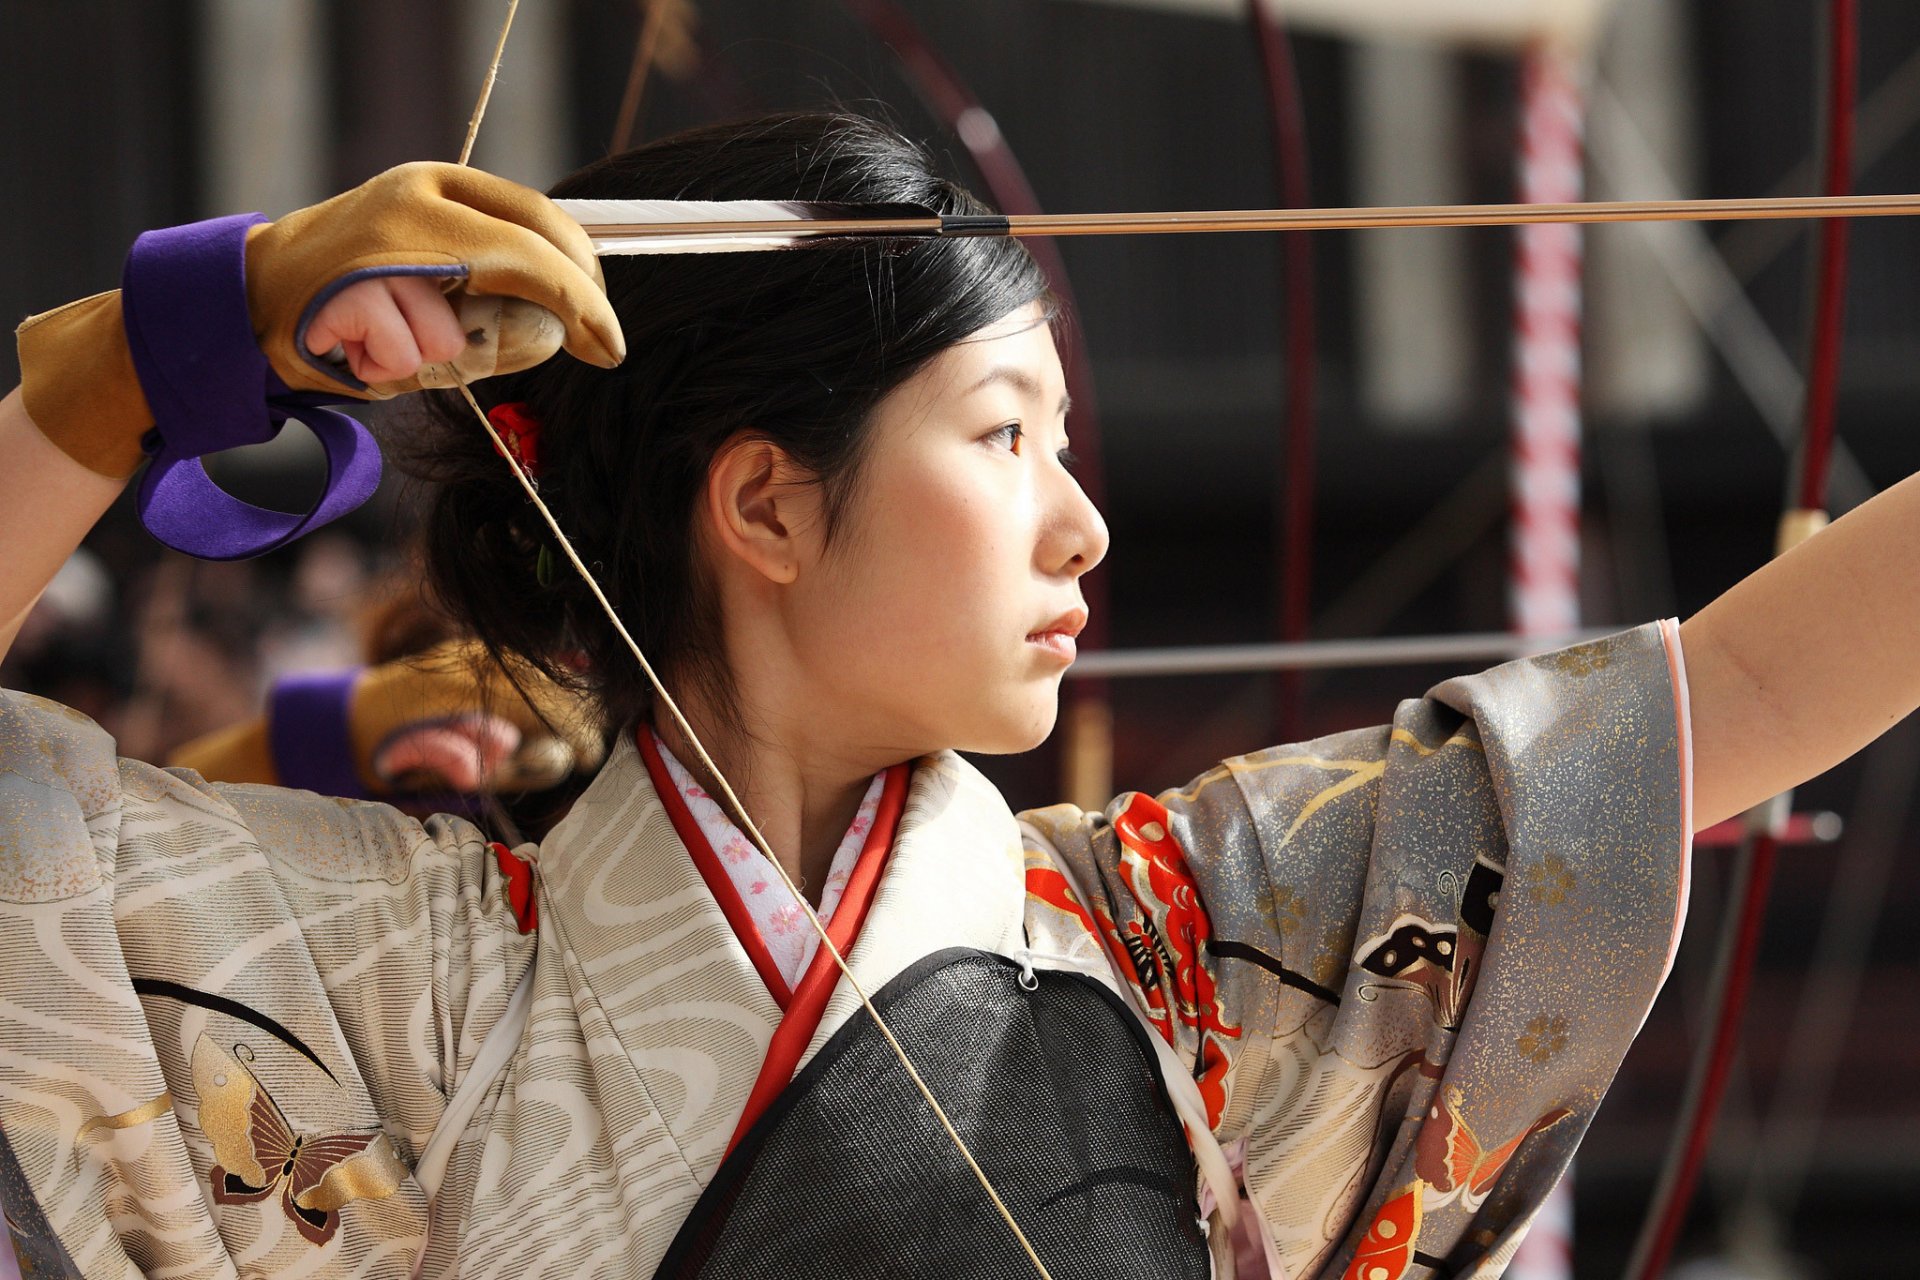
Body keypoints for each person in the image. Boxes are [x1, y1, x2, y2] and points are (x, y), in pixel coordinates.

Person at [0, 111, 1910, 1280]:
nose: (1082, 525)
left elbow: (1730, 683)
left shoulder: (1181, 936)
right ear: (763, 500)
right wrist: (135, 361)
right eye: (1006, 434)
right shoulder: (408, 978)